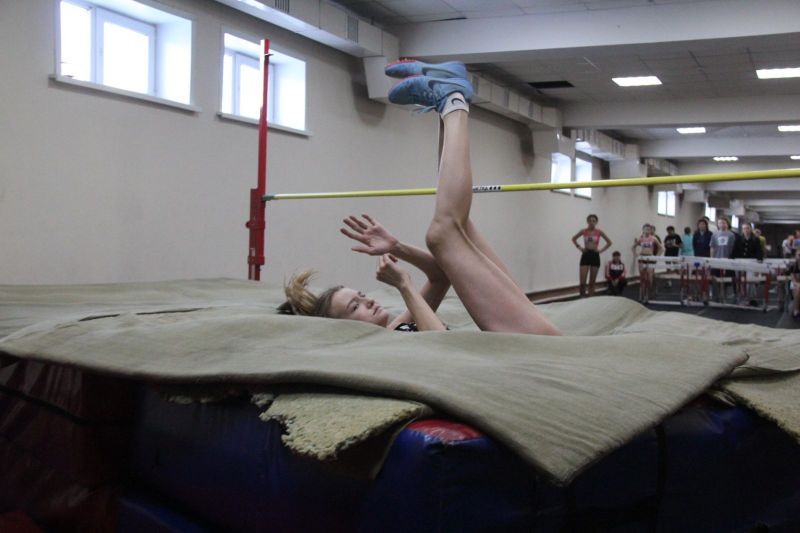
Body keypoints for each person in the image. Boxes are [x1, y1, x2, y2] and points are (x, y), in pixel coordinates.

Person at [279, 60, 560, 336]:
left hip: (532, 339)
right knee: (443, 234)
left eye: (361, 295)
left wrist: (397, 247)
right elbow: (438, 342)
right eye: (356, 306)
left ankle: (446, 104)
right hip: (539, 348)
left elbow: (440, 275)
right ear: (345, 329)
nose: (369, 301)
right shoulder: (387, 341)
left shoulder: (395, 327)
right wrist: (404, 286)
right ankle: (453, 101)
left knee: (458, 227)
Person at [571, 214, 613, 297]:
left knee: (592, 283)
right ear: (587, 221)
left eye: (594, 221)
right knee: (582, 283)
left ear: (596, 222)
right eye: (590, 220)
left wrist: (600, 250)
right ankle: (582, 299)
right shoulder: (583, 231)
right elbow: (574, 239)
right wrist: (580, 248)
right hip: (586, 255)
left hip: (595, 256)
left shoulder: (599, 232)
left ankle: (591, 300)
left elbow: (609, 242)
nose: (592, 222)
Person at [633, 224, 661, 301]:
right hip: (642, 258)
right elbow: (634, 247)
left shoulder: (654, 238)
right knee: (642, 278)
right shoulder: (641, 238)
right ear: (643, 230)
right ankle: (641, 295)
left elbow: (661, 248)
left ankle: (648, 294)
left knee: (649, 277)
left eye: (649, 229)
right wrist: (636, 255)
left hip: (651, 258)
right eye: (646, 229)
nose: (648, 230)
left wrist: (656, 257)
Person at [786, 248, 800, 318]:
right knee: (797, 289)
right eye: (799, 255)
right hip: (795, 283)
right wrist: (796, 283)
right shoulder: (793, 265)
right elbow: (792, 277)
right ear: (796, 256)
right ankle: (796, 310)